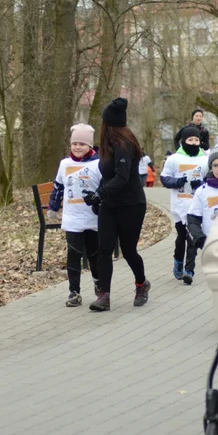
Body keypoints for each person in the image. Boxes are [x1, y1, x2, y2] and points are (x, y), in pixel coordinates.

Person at [84, 98, 151, 311]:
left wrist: (100, 194)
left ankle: (142, 284)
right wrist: (97, 197)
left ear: (108, 125)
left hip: (131, 204)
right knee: (103, 250)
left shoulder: (124, 146)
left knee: (128, 250)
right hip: (110, 205)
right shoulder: (108, 147)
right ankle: (104, 295)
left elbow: (122, 178)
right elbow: (107, 177)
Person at [48, 124, 102, 307]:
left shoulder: (98, 164)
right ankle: (74, 292)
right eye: (74, 143)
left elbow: (105, 189)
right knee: (73, 254)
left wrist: (99, 201)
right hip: (72, 218)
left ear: (90, 146)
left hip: (93, 219)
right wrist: (53, 207)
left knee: (94, 255)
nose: (77, 147)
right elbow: (58, 187)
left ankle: (98, 283)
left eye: (82, 144)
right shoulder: (65, 164)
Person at [161, 125, 209, 284]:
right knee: (182, 236)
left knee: (193, 237)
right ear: (183, 141)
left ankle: (189, 270)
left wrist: (201, 184)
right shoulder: (174, 159)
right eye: (190, 139)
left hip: (197, 205)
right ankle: (178, 262)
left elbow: (211, 179)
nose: (194, 143)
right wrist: (176, 182)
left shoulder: (205, 159)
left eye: (196, 140)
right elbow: (164, 178)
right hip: (180, 204)